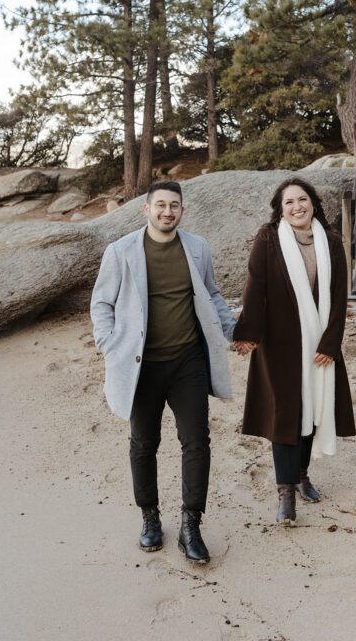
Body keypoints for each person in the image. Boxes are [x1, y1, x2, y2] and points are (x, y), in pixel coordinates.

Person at [90, 180, 236, 564]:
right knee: (143, 443)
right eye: (160, 205)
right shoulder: (120, 251)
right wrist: (108, 343)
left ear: (182, 211)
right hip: (141, 366)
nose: (167, 211)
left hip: (188, 361)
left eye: (174, 206)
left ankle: (192, 524)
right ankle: (150, 517)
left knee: (196, 441)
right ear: (146, 210)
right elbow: (101, 302)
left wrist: (233, 330)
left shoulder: (198, 248)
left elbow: (212, 293)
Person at [233, 176, 355, 524]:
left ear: (313, 203)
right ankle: (286, 491)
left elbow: (339, 295)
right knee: (285, 413)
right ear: (280, 209)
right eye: (289, 202)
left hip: (319, 342)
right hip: (279, 342)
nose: (297, 207)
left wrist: (331, 342)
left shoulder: (330, 242)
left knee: (313, 408)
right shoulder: (268, 239)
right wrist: (248, 332)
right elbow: (255, 286)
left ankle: (302, 475)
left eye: (302, 200)